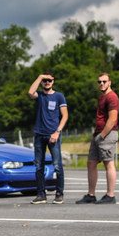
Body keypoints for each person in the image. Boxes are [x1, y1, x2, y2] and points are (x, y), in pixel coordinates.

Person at [77, 73, 119, 204]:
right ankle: (91, 195)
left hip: (107, 134)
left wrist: (102, 136)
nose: (101, 84)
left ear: (110, 82)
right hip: (97, 134)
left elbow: (112, 119)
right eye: (99, 81)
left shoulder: (112, 97)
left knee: (108, 163)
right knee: (91, 163)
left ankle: (110, 195)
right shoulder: (101, 97)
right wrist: (96, 135)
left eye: (104, 81)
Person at [28, 73, 68, 204]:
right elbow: (30, 92)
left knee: (57, 165)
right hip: (39, 135)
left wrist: (57, 132)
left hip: (53, 135)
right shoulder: (40, 95)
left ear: (53, 81)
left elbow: (65, 116)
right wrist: (39, 77)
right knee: (39, 166)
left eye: (49, 80)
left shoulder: (59, 96)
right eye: (44, 81)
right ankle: (41, 194)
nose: (47, 83)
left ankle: (59, 193)